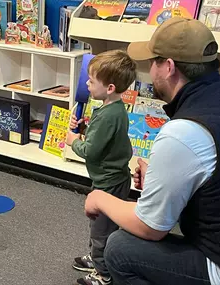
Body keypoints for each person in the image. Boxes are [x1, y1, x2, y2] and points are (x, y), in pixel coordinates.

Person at [84, 17, 220, 285]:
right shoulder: (214, 100)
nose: (149, 69)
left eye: (153, 62)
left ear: (168, 67)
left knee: (120, 248)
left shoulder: (185, 132)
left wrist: (100, 198)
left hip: (218, 264)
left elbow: (150, 227)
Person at [66, 49, 136, 285]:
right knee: (101, 225)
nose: (87, 83)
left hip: (108, 182)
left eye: (91, 80)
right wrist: (86, 127)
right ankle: (98, 258)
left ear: (110, 88)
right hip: (115, 177)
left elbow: (91, 151)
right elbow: (105, 139)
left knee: (100, 230)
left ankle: (103, 273)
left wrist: (74, 141)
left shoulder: (107, 115)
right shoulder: (115, 108)